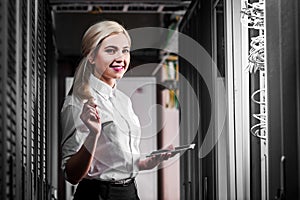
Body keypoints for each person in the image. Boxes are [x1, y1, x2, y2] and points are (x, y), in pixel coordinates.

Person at [60, 20, 174, 200]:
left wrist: (144, 163)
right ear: (91, 56)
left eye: (125, 50)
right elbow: (71, 175)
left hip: (129, 192)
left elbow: (115, 161)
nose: (120, 57)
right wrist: (93, 134)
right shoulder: (78, 102)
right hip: (98, 194)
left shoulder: (123, 100)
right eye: (111, 50)